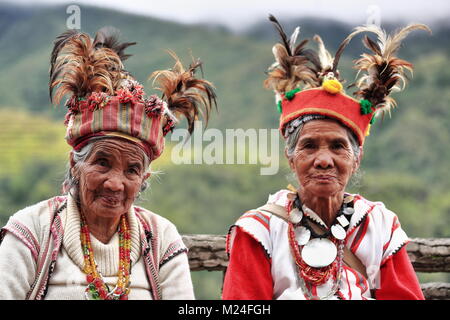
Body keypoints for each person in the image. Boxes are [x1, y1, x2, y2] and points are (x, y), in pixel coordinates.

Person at [0, 27, 216, 300]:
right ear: (75, 164)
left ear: (144, 179)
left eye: (132, 170)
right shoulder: (32, 231)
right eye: (102, 163)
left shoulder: (161, 238)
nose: (115, 183)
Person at [222, 16, 429, 300]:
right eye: (309, 146)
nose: (323, 159)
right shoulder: (259, 230)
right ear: (290, 157)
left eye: (337, 146)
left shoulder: (378, 225)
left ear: (356, 159)